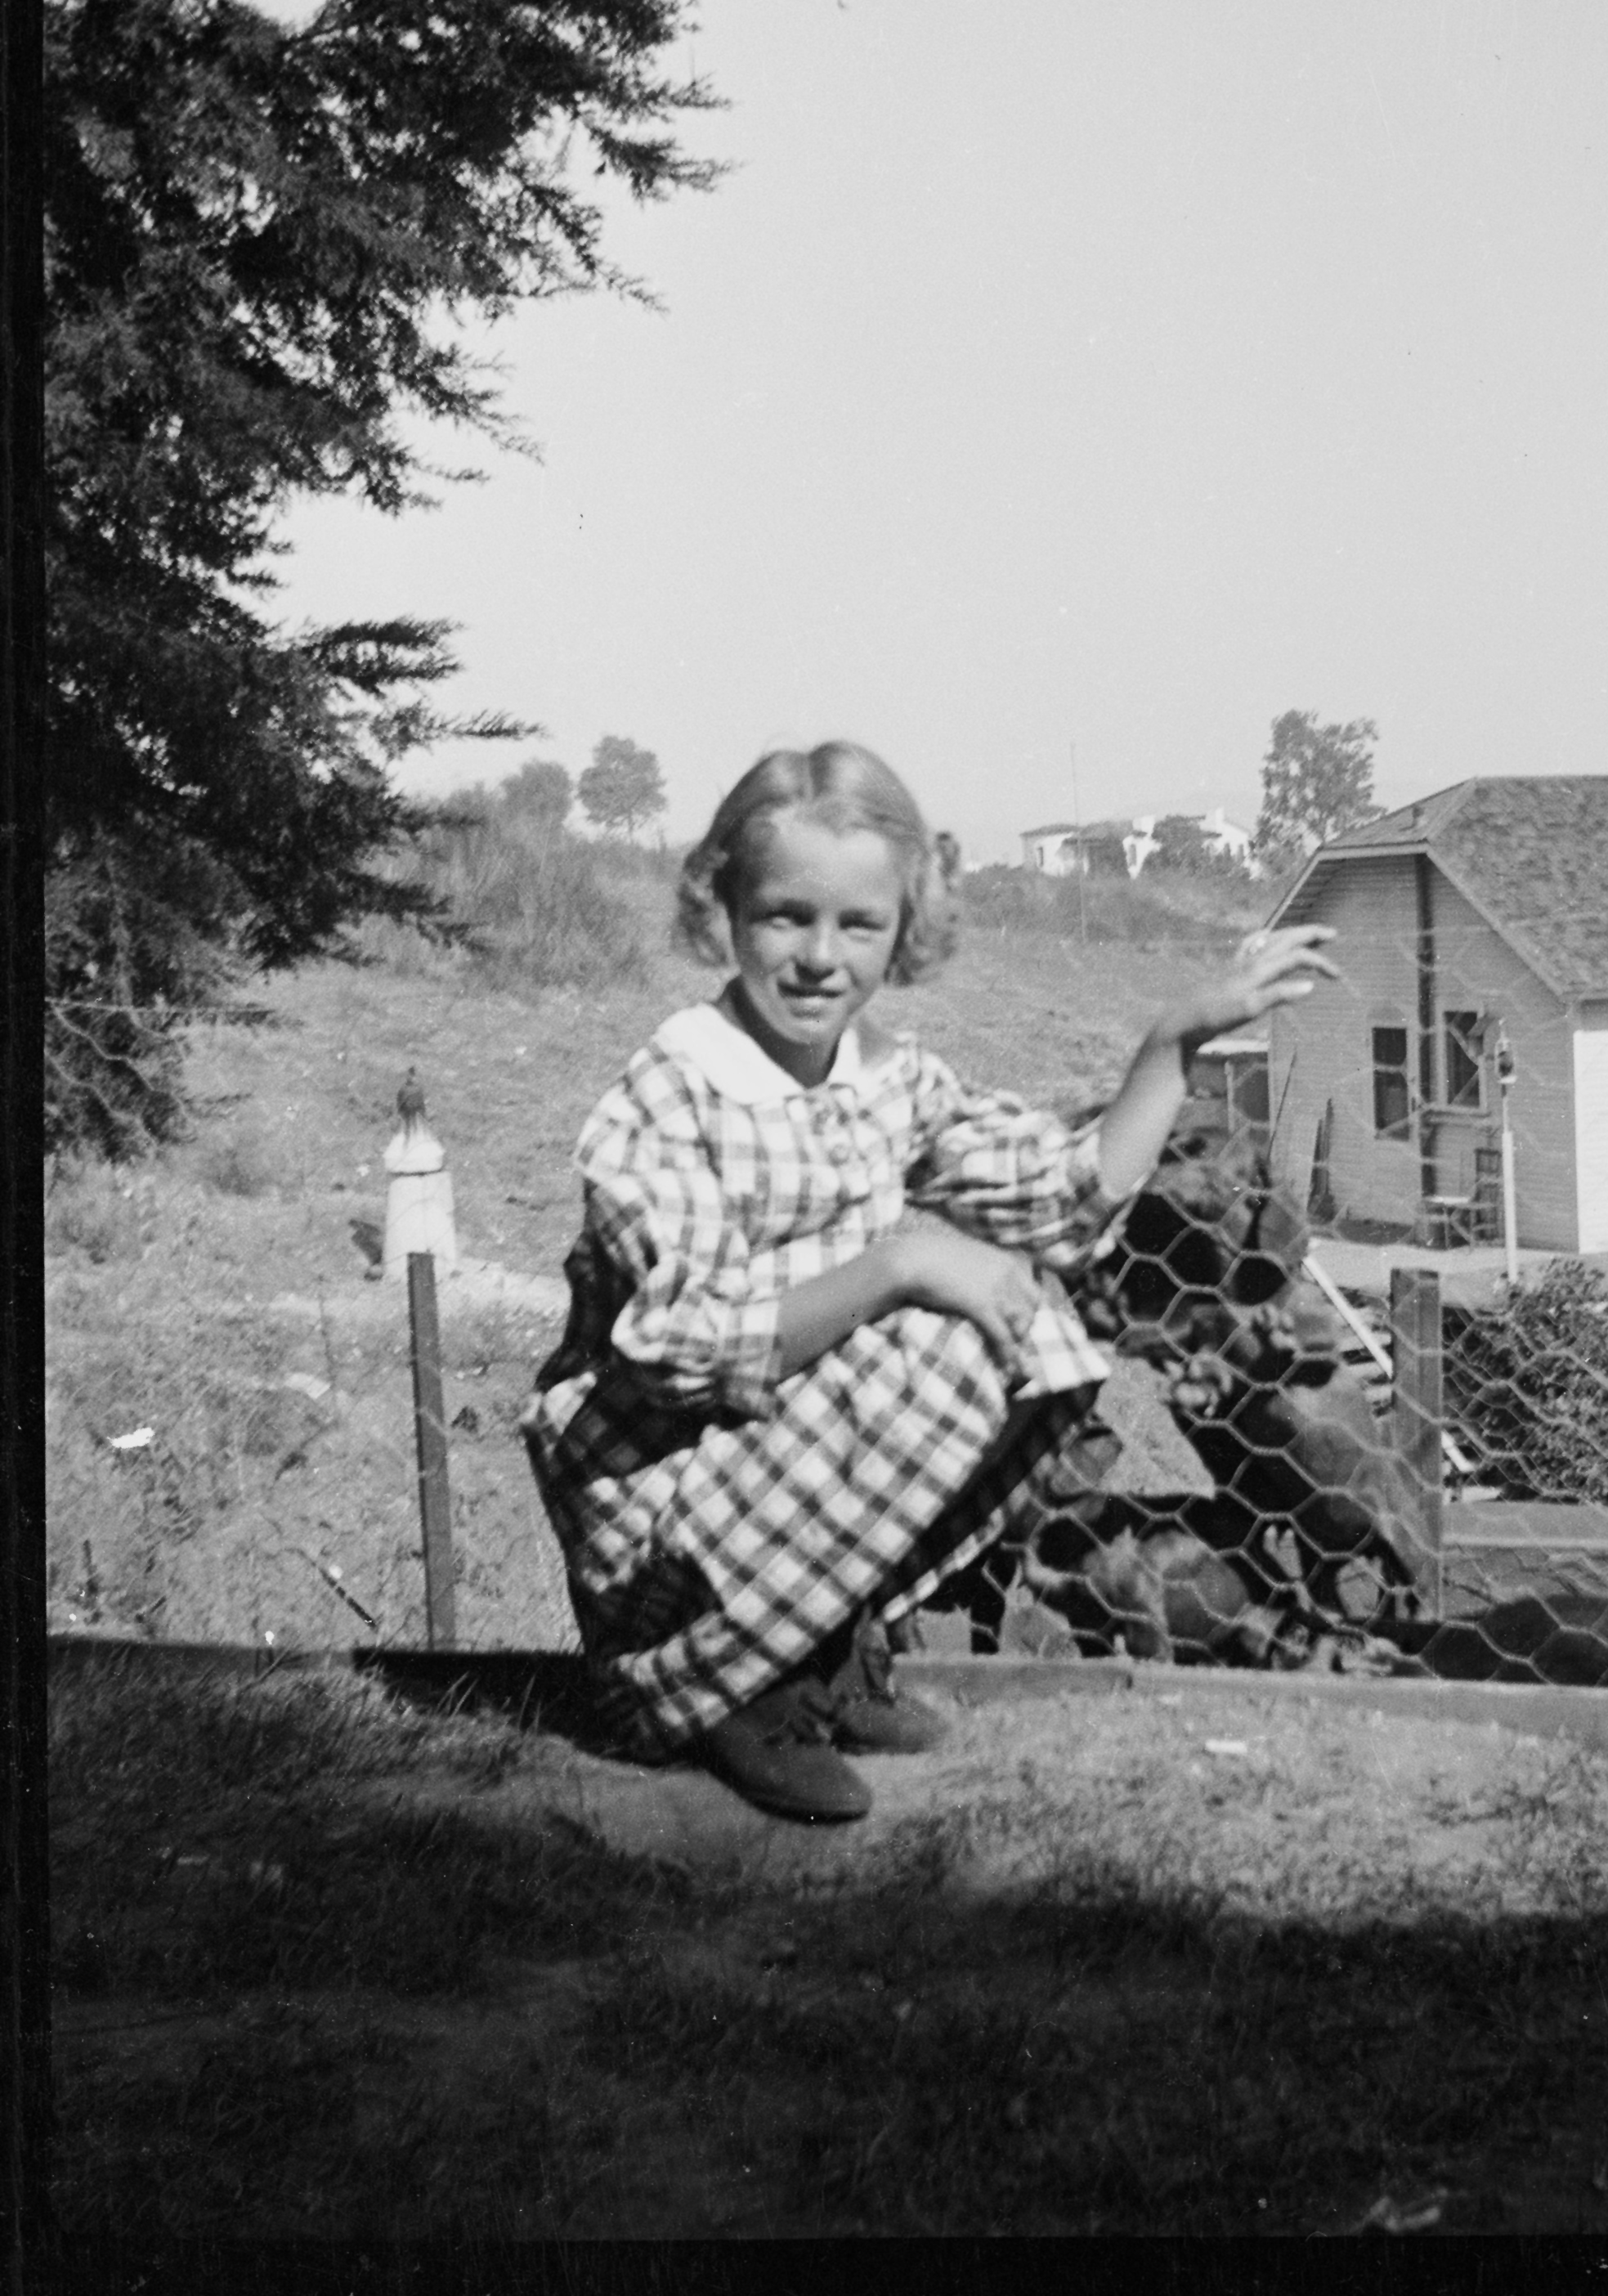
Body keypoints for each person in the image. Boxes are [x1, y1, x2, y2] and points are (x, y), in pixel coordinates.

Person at [524, 741, 1337, 1823]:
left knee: (1020, 1323)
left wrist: (1175, 1038)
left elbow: (1059, 1197)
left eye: (858, 926)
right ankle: (725, 1690)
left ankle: (819, 1656)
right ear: (725, 909)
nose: (820, 959)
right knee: (941, 1328)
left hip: (763, 1472)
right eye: (785, 917)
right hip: (655, 1499)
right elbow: (680, 1353)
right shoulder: (675, 1093)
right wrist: (902, 1263)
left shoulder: (882, 1080)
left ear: (903, 929)